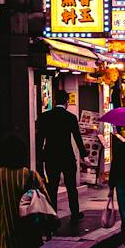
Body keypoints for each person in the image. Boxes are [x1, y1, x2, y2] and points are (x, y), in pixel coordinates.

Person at [36, 91, 84, 232]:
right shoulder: (70, 117)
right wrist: (84, 154)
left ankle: (52, 215)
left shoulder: (45, 117)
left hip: (51, 156)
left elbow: (40, 139)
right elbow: (77, 137)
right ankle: (75, 214)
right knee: (71, 187)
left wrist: (40, 156)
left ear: (55, 100)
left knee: (52, 188)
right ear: (67, 102)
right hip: (67, 156)